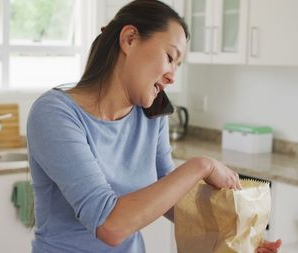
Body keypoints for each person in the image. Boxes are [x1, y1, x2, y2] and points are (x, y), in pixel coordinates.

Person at [26, 0, 282, 252]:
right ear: (129, 39)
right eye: (170, 57)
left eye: (177, 65)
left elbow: (174, 202)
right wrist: (201, 166)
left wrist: (240, 239)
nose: (172, 75)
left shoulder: (152, 114)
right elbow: (109, 226)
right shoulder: (55, 114)